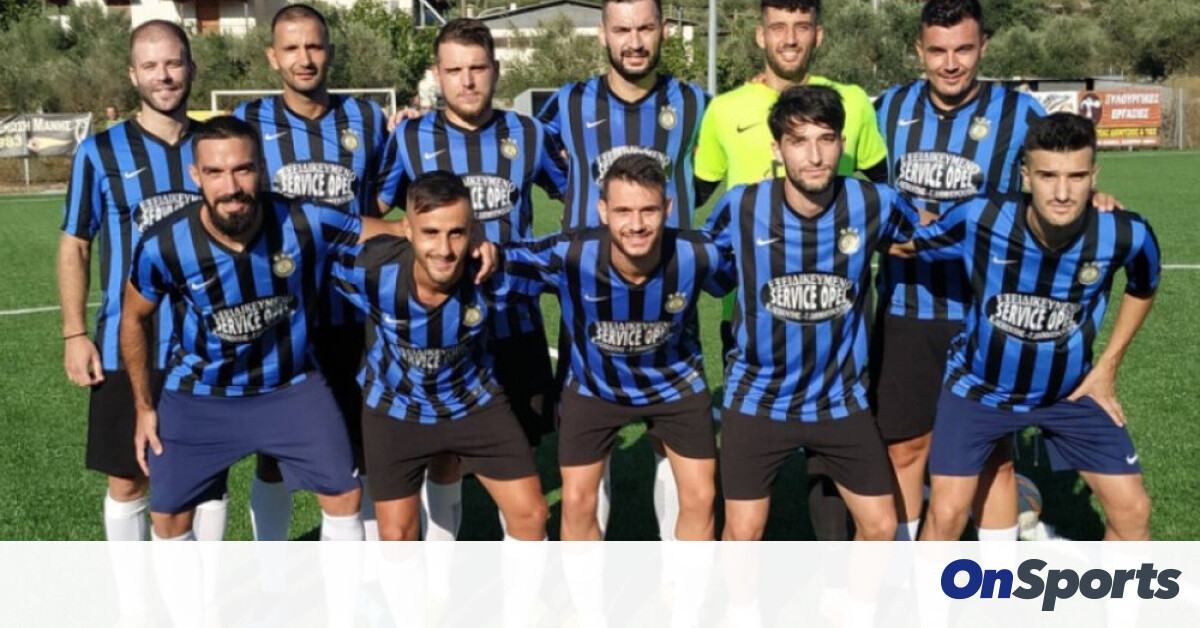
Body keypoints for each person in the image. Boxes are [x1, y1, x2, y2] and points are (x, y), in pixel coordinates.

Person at [118, 116, 403, 542]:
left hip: (291, 387)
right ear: (196, 176)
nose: (231, 186)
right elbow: (133, 317)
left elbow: (394, 232)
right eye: (215, 172)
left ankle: (329, 592)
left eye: (243, 169)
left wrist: (465, 237)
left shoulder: (303, 220)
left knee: (345, 495)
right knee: (169, 519)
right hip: (200, 395)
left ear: (262, 169)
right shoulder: (164, 243)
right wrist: (144, 407)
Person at [891, 113, 1160, 541]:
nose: (1062, 193)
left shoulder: (1127, 233)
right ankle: (928, 591)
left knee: (1133, 511)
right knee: (946, 515)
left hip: (1069, 392)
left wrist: (1108, 366)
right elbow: (907, 244)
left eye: (1076, 176)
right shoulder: (981, 216)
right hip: (978, 390)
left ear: (1094, 176)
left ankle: (1113, 591)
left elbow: (1144, 287)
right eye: (1048, 176)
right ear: (1026, 176)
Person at [693, 0, 890, 542]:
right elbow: (697, 196)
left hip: (837, 321)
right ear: (760, 35)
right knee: (748, 505)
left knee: (837, 480)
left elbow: (887, 193)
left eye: (802, 27)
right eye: (778, 27)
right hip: (752, 318)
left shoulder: (851, 104)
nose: (790, 38)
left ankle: (835, 572)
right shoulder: (725, 111)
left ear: (818, 35)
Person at [375, 18, 567, 540]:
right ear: (437, 75)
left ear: (496, 70)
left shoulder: (529, 134)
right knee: (443, 457)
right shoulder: (409, 136)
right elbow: (375, 212)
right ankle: (444, 567)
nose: (467, 81)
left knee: (520, 455)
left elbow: (574, 199)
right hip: (438, 332)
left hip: (513, 321)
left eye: (477, 68)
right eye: (455, 70)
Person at [871, 0, 1046, 542]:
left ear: (983, 46)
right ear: (919, 50)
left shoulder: (1020, 114)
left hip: (985, 315)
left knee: (992, 455)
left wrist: (1097, 200)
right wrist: (887, 229)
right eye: (938, 51)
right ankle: (903, 574)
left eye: (964, 49)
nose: (951, 64)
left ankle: (996, 581)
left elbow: (1055, 188)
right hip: (906, 310)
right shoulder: (887, 109)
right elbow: (860, 194)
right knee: (904, 448)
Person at [537, 0, 708, 541]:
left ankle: (677, 576)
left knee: (673, 441)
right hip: (588, 297)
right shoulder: (568, 102)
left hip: (667, 292)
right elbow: (527, 157)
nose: (634, 42)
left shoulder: (695, 102)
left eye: (645, 28)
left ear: (664, 31)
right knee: (587, 445)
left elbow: (709, 173)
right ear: (603, 34)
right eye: (622, 30)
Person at [502, 153, 734, 541]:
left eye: (648, 210)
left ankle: (687, 581)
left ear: (668, 209)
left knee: (701, 496)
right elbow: (501, 257)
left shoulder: (696, 254)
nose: (637, 224)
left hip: (675, 387)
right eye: (623, 211)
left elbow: (744, 270)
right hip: (594, 389)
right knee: (576, 501)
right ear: (603, 211)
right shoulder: (572, 255)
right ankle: (586, 584)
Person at [58, 20, 228, 543]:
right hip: (126, 342)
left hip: (208, 342)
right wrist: (74, 333)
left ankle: (203, 591)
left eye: (173, 63)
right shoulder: (100, 152)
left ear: (191, 68)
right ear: (133, 75)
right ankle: (131, 592)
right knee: (128, 479)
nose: (164, 75)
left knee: (208, 479)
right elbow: (75, 243)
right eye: (150, 65)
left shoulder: (216, 147)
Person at [232, 3, 388, 541]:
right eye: (292, 48)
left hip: (355, 313)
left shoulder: (368, 119)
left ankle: (366, 567)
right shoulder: (248, 120)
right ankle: (272, 571)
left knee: (365, 444)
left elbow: (381, 203)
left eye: (315, 46)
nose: (305, 58)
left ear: (331, 52)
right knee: (272, 455)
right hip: (280, 315)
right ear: (272, 56)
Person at [331, 170, 550, 542]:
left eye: (457, 233)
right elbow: (312, 245)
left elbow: (565, 261)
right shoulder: (369, 270)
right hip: (395, 410)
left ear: (473, 232)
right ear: (407, 230)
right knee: (396, 536)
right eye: (430, 232)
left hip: (473, 404)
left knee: (532, 515)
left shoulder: (492, 273)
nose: (444, 249)